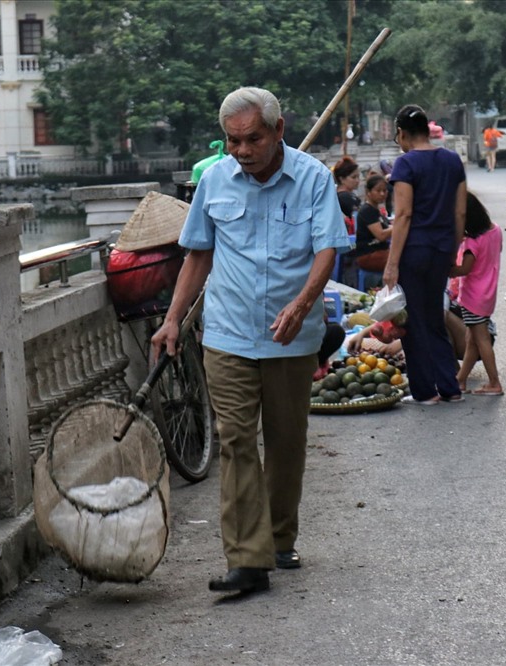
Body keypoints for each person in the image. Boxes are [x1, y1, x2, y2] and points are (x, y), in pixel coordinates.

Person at [151, 86, 349, 594]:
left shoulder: (312, 179)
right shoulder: (214, 181)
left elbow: (328, 249)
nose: (242, 150)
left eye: (252, 139)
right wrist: (173, 319)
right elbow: (197, 255)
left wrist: (302, 304)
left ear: (278, 130)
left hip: (291, 335)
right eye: (233, 140)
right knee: (237, 440)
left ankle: (280, 539)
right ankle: (247, 559)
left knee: (285, 442)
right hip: (227, 333)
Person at [383, 104, 467, 405]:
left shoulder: (406, 164)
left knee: (412, 323)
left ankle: (424, 391)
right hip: (442, 249)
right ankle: (450, 387)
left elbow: (403, 215)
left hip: (414, 252)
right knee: (435, 318)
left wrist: (392, 264)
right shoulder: (452, 160)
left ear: (402, 133)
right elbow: (460, 212)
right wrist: (452, 250)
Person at [450, 193, 503, 396]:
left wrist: (447, 269)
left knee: (481, 339)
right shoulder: (495, 230)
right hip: (488, 293)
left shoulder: (472, 243)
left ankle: (494, 382)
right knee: (471, 339)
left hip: (473, 297)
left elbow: (464, 270)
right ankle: (460, 380)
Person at [355, 174, 393, 274]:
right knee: (401, 259)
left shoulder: (377, 211)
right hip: (368, 255)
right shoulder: (367, 210)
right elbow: (381, 235)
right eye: (378, 190)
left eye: (384, 191)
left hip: (381, 252)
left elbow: (388, 228)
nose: (382, 194)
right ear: (368, 192)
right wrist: (399, 226)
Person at [333, 156, 361, 226]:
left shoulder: (338, 195)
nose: (357, 180)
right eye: (353, 177)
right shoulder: (345, 197)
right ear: (342, 179)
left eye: (358, 177)